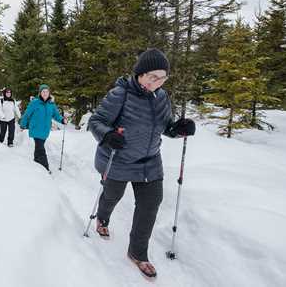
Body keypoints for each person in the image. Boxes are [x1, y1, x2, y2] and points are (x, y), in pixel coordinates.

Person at [87, 48, 196, 279]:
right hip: (118, 160)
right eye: (153, 77)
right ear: (140, 74)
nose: (157, 83)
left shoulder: (162, 97)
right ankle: (102, 218)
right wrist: (107, 135)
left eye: (162, 78)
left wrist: (178, 129)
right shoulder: (121, 94)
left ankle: (138, 252)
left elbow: (165, 126)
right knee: (112, 195)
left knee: (150, 205)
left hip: (150, 163)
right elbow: (96, 121)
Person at [19, 84, 66, 173]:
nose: (45, 93)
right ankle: (45, 168)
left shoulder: (51, 104)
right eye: (43, 91)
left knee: (38, 148)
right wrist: (22, 125)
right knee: (41, 149)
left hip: (45, 131)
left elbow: (56, 115)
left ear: (49, 93)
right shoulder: (35, 103)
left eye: (46, 92)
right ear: (40, 93)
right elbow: (27, 114)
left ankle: (36, 164)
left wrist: (62, 120)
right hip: (36, 129)